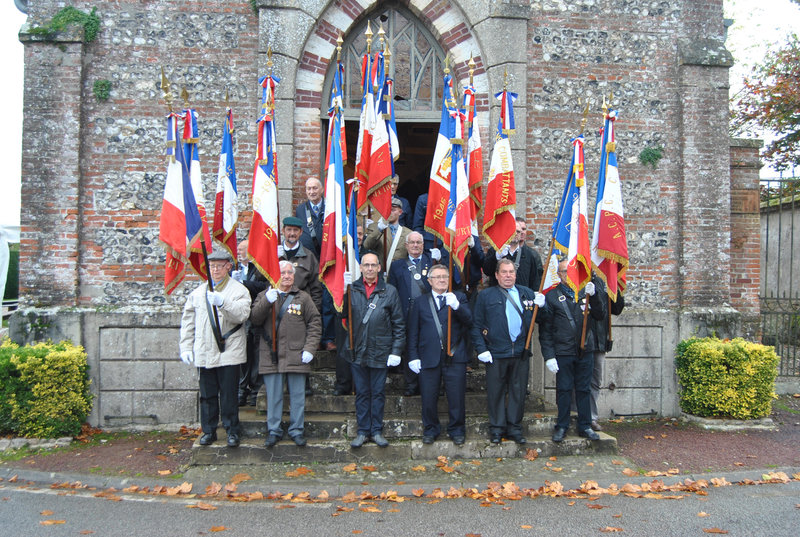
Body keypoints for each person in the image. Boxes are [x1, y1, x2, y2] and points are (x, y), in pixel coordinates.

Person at [179, 249, 251, 448]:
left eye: (220, 266)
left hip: (229, 350)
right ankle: (208, 430)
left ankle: (231, 430)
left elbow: (242, 314)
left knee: (228, 395)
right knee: (207, 395)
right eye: (212, 266)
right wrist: (185, 346)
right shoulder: (198, 292)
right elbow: (188, 322)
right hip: (204, 350)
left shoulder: (238, 290)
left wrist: (223, 302)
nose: (216, 270)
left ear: (229, 266)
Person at [471, 258, 543, 445]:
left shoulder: (526, 293)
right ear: (496, 275)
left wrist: (544, 306)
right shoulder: (486, 296)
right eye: (504, 272)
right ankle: (496, 429)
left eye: (511, 272)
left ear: (515, 274)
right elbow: (476, 325)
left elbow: (542, 318)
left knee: (518, 393)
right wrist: (481, 349)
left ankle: (514, 428)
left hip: (520, 352)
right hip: (496, 353)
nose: (508, 275)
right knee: (495, 392)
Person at [250, 260, 321, 448]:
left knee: (297, 396)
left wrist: (310, 348)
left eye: (290, 272)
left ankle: (296, 430)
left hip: (296, 354)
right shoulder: (265, 295)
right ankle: (274, 430)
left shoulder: (303, 298)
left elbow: (315, 323)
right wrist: (267, 300)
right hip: (271, 354)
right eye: (283, 272)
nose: (287, 275)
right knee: (273, 396)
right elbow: (255, 319)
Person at [340, 251, 405, 448]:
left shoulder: (390, 291)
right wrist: (342, 292)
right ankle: (362, 431)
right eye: (366, 265)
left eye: (373, 265)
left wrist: (396, 351)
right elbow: (341, 316)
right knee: (361, 392)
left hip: (381, 350)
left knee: (377, 393)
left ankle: (376, 430)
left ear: (379, 268)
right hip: (357, 350)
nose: (369, 268)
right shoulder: (352, 289)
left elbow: (399, 324)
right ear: (360, 267)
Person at [539, 259, 607, 443]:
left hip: (586, 349)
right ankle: (562, 426)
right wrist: (549, 356)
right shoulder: (552, 296)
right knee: (564, 389)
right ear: (559, 275)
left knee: (584, 389)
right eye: (563, 272)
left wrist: (596, 297)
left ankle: (585, 425)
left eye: (570, 272)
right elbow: (545, 330)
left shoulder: (586, 293)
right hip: (563, 351)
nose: (567, 275)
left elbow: (600, 315)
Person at [407, 264, 473, 445]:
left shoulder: (458, 297)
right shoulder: (421, 301)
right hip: (428, 356)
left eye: (445, 276)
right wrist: (413, 356)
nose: (442, 280)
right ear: (429, 281)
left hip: (455, 357)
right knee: (428, 397)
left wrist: (458, 306)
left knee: (456, 396)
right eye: (437, 277)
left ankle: (457, 429)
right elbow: (413, 331)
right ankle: (430, 429)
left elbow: (470, 321)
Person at [388, 231, 433, 396]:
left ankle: (427, 384)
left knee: (428, 347)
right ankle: (411, 385)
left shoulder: (432, 262)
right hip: (406, 313)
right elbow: (392, 291)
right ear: (406, 245)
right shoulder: (397, 266)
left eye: (419, 242)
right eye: (412, 242)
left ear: (423, 245)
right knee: (409, 348)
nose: (415, 245)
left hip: (428, 314)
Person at [295, 177, 336, 351]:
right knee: (309, 300)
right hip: (308, 260)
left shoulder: (331, 207)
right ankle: (313, 339)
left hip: (328, 260)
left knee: (328, 301)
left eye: (315, 188)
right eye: (308, 189)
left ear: (321, 190)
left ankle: (327, 338)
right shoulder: (300, 209)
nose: (311, 192)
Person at [585, 277, 625, 431]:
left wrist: (615, 290)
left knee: (595, 381)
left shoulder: (605, 278)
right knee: (576, 380)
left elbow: (617, 309)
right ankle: (574, 414)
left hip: (599, 339)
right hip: (577, 339)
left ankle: (591, 417)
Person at [232, 238, 268, 407]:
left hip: (256, 317)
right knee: (241, 356)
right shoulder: (234, 269)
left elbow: (264, 286)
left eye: (242, 250)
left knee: (256, 355)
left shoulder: (259, 268)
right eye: (238, 250)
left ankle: (255, 390)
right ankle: (241, 389)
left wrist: (243, 283)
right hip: (238, 319)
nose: (239, 253)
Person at [484, 217, 543, 291]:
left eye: (518, 232)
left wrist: (535, 295)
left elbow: (535, 280)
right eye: (512, 230)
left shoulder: (529, 254)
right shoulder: (495, 251)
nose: (515, 234)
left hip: (521, 297)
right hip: (499, 297)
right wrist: (496, 257)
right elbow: (487, 271)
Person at [363, 197, 412, 272]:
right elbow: (367, 245)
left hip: (400, 274)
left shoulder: (408, 233)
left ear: (400, 212)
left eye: (393, 210)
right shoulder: (374, 228)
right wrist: (379, 228)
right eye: (387, 210)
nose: (389, 212)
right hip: (380, 272)